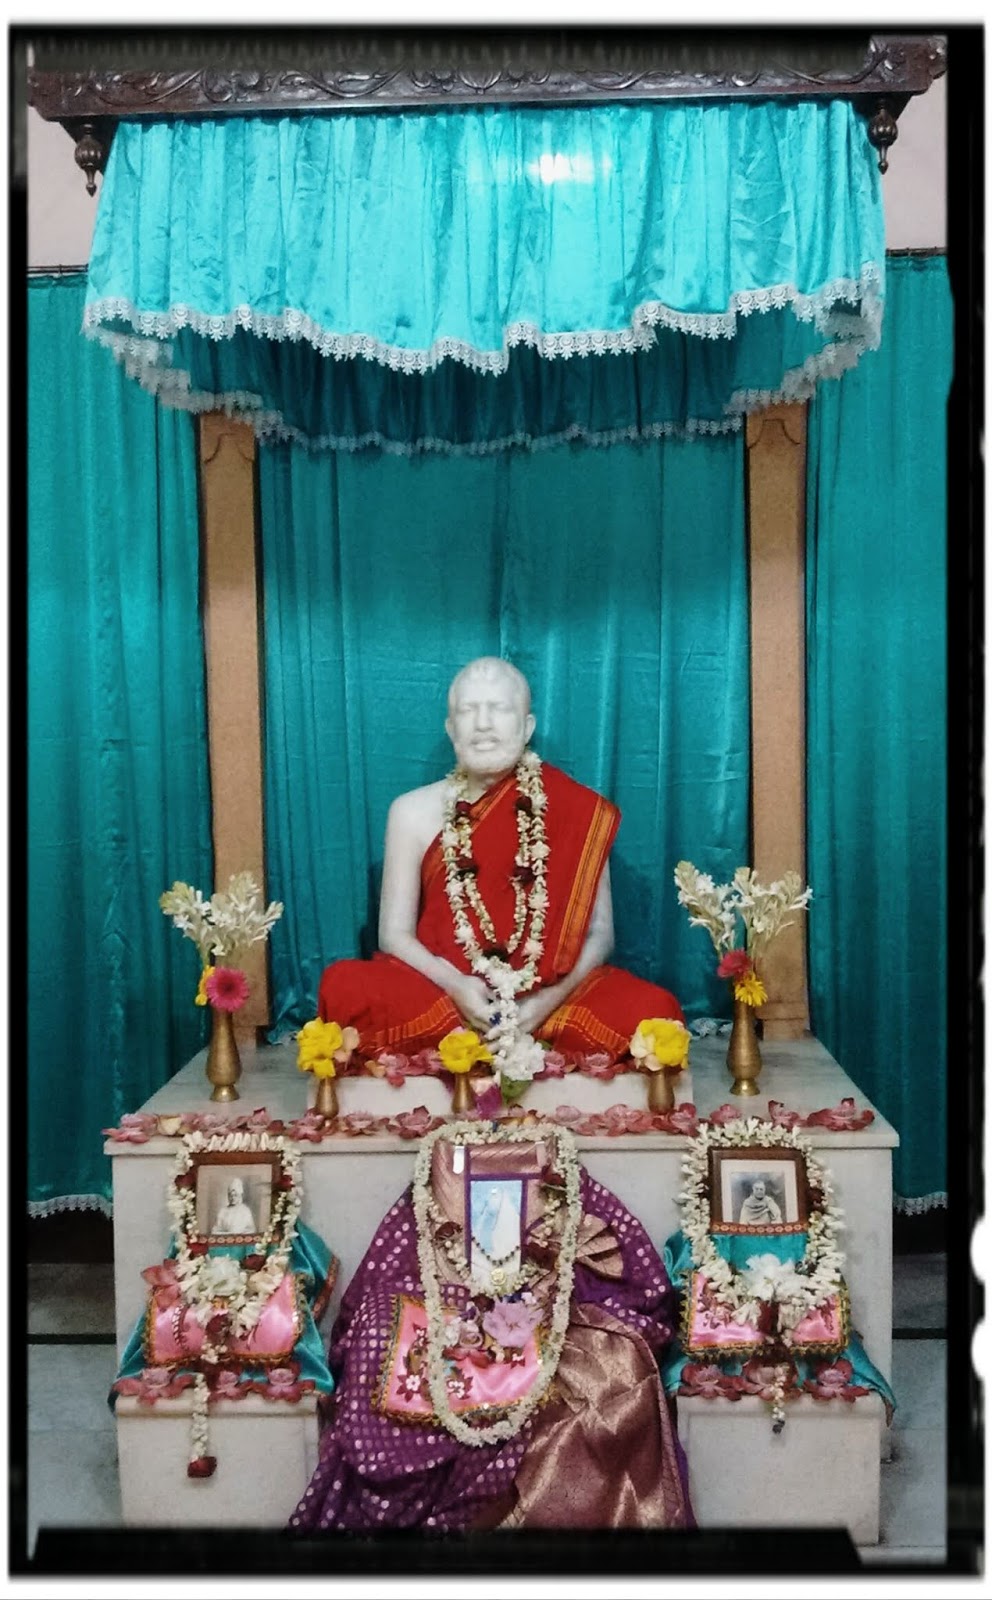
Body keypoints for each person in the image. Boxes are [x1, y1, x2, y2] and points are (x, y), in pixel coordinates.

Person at [318, 657, 682, 1056]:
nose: (483, 723)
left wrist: (542, 1004)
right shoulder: (411, 811)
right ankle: (488, 1038)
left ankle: (480, 1045)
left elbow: (601, 935)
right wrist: (457, 988)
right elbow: (393, 935)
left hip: (550, 996)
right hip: (442, 990)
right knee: (343, 987)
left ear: (527, 727)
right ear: (451, 728)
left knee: (655, 1011)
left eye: (499, 709)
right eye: (468, 710)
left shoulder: (577, 809)